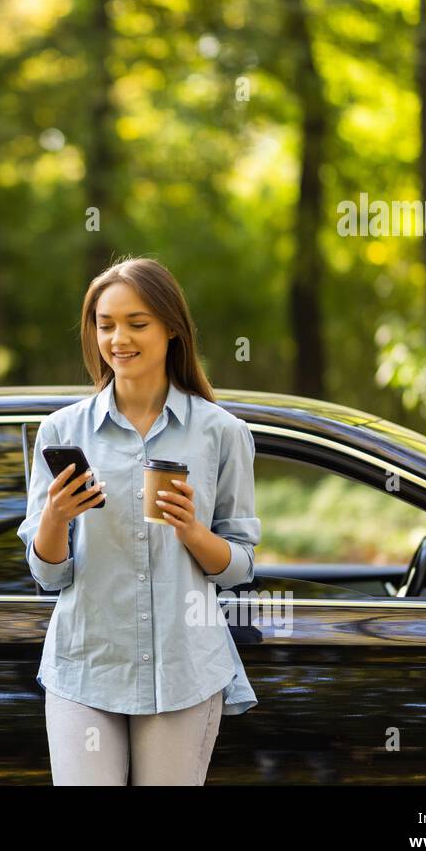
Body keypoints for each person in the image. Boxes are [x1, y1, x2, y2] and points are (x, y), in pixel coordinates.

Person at [17, 255, 260, 785]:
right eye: (105, 325)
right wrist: (57, 517)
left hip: (184, 671)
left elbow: (239, 566)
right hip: (85, 667)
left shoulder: (221, 432)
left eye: (136, 323)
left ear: (172, 328)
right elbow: (49, 575)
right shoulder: (61, 431)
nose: (118, 339)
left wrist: (194, 532)